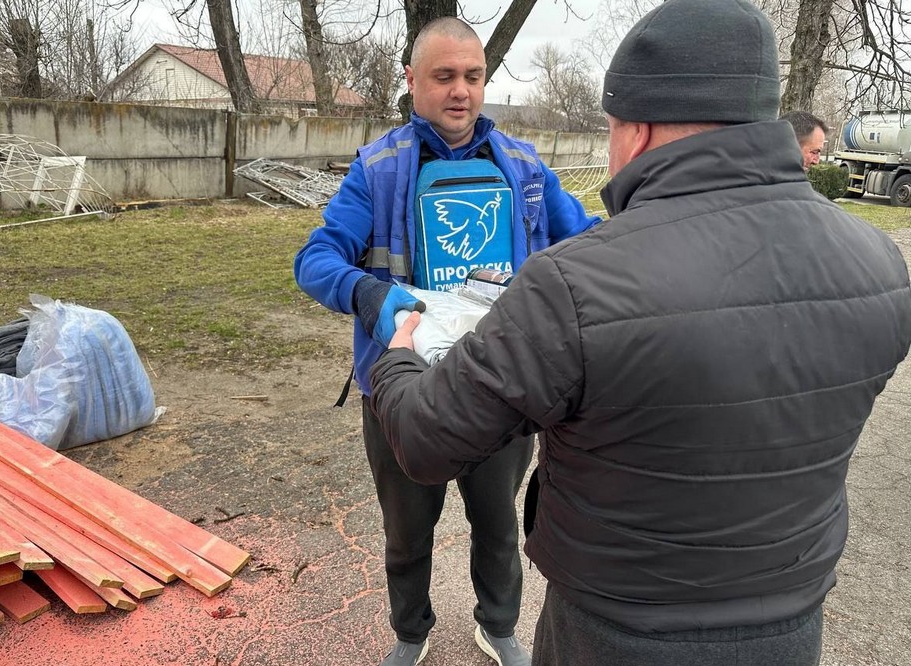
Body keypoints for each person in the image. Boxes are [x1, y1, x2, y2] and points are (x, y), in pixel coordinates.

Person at [368, 1, 911, 665]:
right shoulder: (880, 265)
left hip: (615, 633)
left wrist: (397, 361)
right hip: (789, 628)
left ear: (635, 128)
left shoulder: (575, 284)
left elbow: (425, 440)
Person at [293, 16, 600, 666]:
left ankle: (498, 625)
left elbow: (591, 240)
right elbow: (315, 259)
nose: (460, 90)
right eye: (444, 76)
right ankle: (411, 632)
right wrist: (369, 297)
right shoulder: (377, 170)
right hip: (404, 393)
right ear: (411, 81)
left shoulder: (524, 167)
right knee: (407, 534)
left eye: (473, 76)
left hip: (503, 387)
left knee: (497, 526)